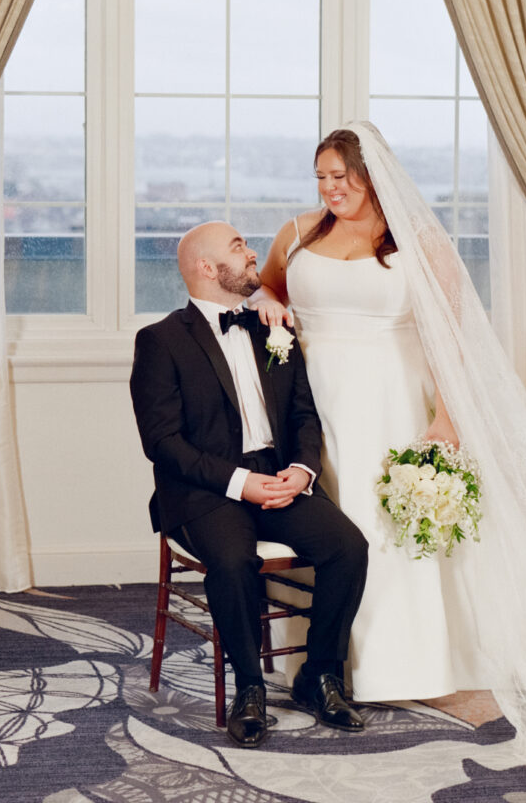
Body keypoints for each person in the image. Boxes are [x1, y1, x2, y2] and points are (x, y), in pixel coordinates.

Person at [250, 122, 526, 802]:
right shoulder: (297, 233)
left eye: (342, 176)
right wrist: (270, 306)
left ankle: (412, 664)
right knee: (333, 530)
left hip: (392, 402)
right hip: (313, 411)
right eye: (321, 177)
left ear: (374, 175)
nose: (330, 189)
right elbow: (272, 291)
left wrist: (444, 421)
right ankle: (328, 663)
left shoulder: (420, 245)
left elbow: (450, 341)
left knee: (393, 531)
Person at [130, 221, 368, 749]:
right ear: (207, 269)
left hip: (278, 476)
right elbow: (163, 443)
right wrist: (242, 484)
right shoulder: (160, 341)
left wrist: (302, 471)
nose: (253, 252)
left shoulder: (271, 328)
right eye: (238, 247)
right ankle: (250, 688)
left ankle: (319, 675)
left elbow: (305, 414)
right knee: (235, 561)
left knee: (348, 548)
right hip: (206, 489)